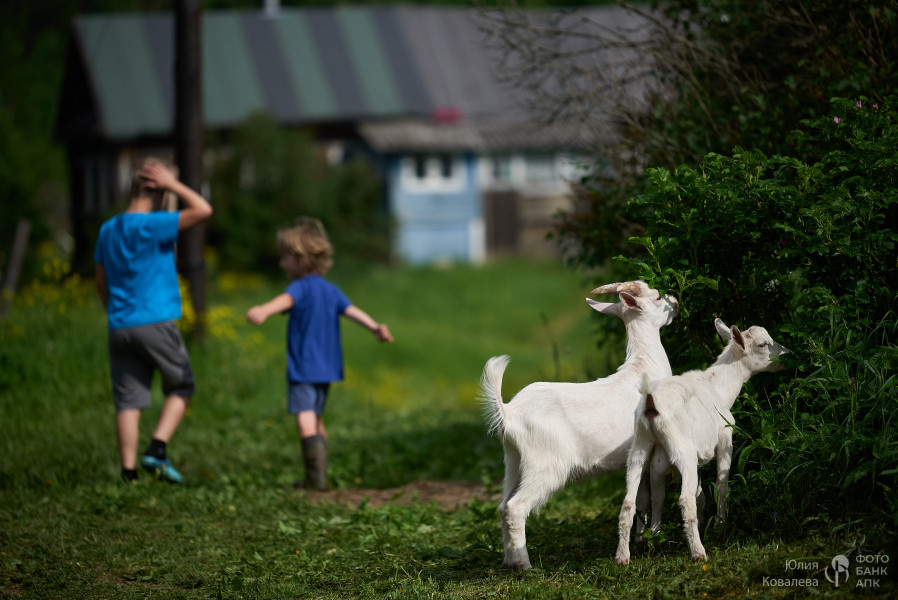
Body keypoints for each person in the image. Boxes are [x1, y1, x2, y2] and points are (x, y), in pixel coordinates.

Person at [246, 218, 393, 490]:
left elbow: (285, 301)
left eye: (285, 258)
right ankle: (319, 477)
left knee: (305, 418)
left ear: (300, 259)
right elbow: (352, 311)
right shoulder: (330, 289)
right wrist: (374, 327)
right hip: (327, 368)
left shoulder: (299, 287)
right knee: (317, 418)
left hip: (303, 368)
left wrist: (265, 309)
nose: (281, 264)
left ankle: (315, 480)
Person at [95, 158, 213, 484]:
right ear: (158, 190)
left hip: (119, 325)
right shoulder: (154, 223)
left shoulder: (108, 229)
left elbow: (100, 281)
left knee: (128, 401)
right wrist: (174, 184)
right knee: (182, 384)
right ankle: (157, 449)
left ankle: (128, 473)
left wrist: (114, 313)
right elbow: (203, 210)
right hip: (156, 322)